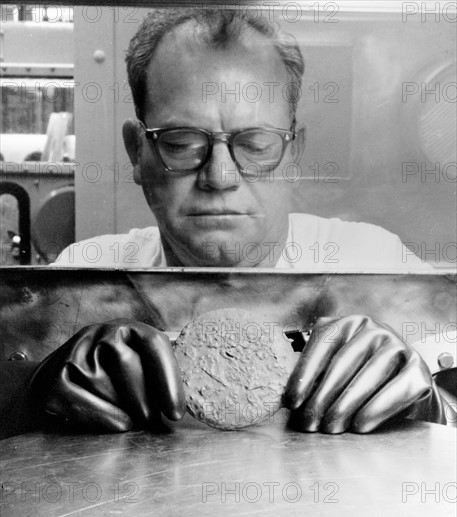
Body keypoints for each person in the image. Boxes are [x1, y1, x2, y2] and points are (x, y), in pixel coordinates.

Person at [1, 8, 452, 439]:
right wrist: (37, 401)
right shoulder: (84, 281)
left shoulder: (377, 264)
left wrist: (429, 410)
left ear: (294, 155)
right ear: (136, 151)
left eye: (255, 144)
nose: (220, 177)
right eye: (181, 142)